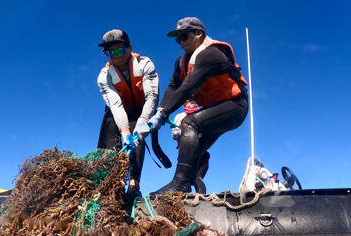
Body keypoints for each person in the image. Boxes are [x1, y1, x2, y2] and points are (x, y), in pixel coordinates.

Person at [135, 17, 248, 194]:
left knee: (190, 123)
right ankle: (188, 188)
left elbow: (188, 86)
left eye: (184, 36)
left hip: (235, 107)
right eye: (177, 39)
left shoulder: (212, 54)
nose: (180, 42)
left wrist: (163, 115)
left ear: (199, 34)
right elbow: (174, 87)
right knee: (197, 149)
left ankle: (179, 182)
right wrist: (158, 112)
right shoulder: (181, 62)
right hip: (216, 107)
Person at [97, 29, 162, 197]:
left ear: (129, 47)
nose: (116, 56)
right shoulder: (104, 76)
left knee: (137, 135)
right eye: (110, 53)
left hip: (142, 111)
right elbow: (115, 105)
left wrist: (143, 120)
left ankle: (134, 185)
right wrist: (124, 130)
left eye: (119, 50)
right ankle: (116, 183)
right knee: (112, 125)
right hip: (119, 113)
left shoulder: (145, 64)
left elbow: (152, 96)